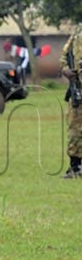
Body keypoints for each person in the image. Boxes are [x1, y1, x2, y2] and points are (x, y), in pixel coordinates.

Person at [59, 24, 82, 178]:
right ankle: (75, 167)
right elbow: (64, 55)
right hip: (78, 88)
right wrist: (66, 70)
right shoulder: (78, 31)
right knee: (75, 129)